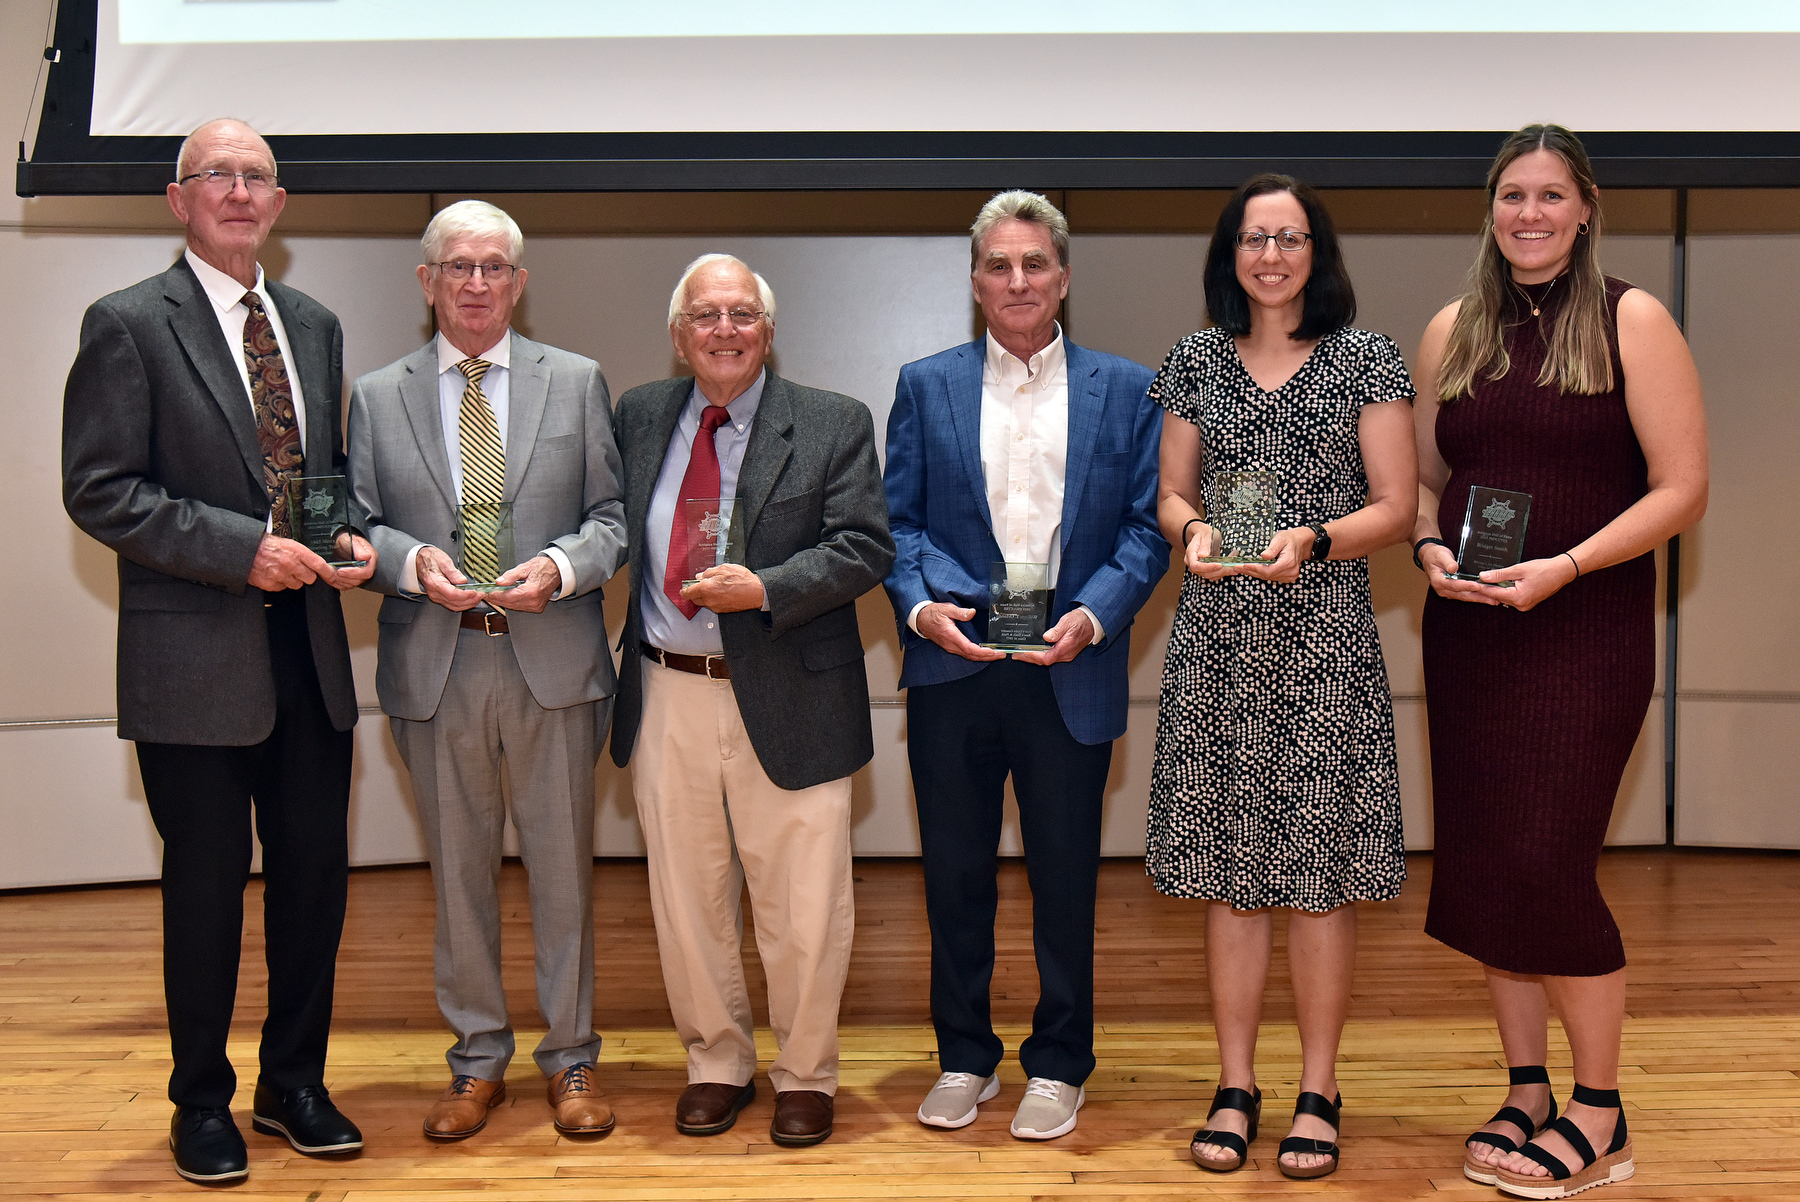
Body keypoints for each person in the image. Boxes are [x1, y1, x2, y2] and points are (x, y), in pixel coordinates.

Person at [61, 119, 375, 1183]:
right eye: (217, 176)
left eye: (257, 177)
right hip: (192, 657)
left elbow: (318, 471)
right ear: (178, 197)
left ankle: (294, 1080)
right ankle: (202, 1098)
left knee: (312, 881)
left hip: (311, 651)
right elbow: (101, 488)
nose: (240, 192)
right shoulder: (126, 323)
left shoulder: (315, 323)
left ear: (279, 204)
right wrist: (245, 552)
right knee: (203, 887)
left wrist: (351, 529)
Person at [1413, 125, 1707, 1200]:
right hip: (1475, 630)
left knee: (1547, 861)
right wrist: (1426, 545)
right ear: (1490, 210)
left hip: (1585, 628)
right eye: (1510, 196)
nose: (1527, 215)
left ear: (1585, 206)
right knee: (1492, 862)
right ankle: (1527, 1086)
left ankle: (1600, 1106)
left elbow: (1681, 488)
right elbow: (1429, 477)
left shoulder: (1635, 317)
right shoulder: (1454, 326)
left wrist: (1569, 565)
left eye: (1549, 196)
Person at [883, 191, 1167, 1141]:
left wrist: (1095, 615)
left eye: (1034, 263)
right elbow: (901, 523)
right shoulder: (925, 384)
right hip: (953, 663)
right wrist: (922, 609)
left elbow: (1143, 528)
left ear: (1064, 277)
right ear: (974, 281)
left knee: (1065, 879)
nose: (1016, 281)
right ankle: (964, 1055)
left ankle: (1059, 1063)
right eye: (998, 265)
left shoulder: (1127, 389)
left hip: (1068, 663)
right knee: (955, 878)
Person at [1149, 173, 1415, 1180]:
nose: (1271, 254)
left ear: (1318, 251)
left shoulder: (1366, 359)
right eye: (1254, 237)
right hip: (1220, 643)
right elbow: (1170, 491)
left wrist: (1316, 535)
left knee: (1316, 878)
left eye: (1290, 237)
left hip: (1324, 643)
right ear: (1231, 254)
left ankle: (1316, 1085)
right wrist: (1195, 529)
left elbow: (1396, 502)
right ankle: (1234, 1081)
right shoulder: (1192, 360)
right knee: (1229, 876)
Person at [344, 200, 628, 1140]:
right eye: (458, 267)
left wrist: (563, 567)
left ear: (519, 282)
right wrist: (406, 563)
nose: (476, 284)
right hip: (437, 666)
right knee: (458, 878)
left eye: (494, 268)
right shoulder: (378, 395)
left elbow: (612, 520)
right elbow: (358, 524)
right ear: (426, 283)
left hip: (552, 663)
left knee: (563, 876)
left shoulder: (577, 381)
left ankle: (574, 1062)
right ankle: (475, 1064)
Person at [609, 254, 894, 1148]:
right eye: (705, 316)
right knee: (687, 898)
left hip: (791, 692)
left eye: (741, 314)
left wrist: (765, 587)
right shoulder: (642, 415)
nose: (723, 330)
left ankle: (806, 1073)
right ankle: (716, 1061)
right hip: (666, 689)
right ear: (678, 334)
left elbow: (864, 547)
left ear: (768, 331)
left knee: (804, 903)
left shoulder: (830, 421)